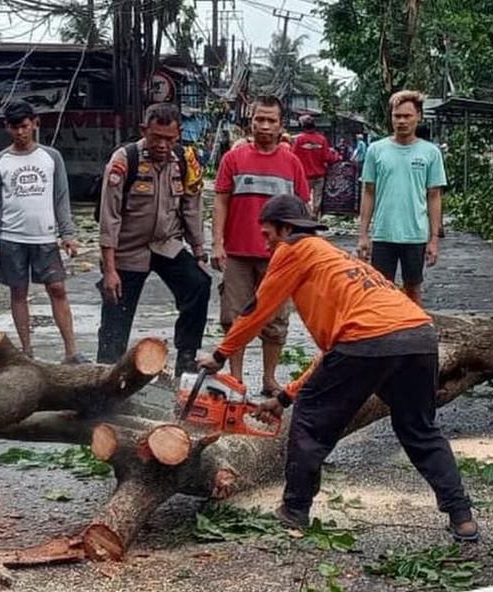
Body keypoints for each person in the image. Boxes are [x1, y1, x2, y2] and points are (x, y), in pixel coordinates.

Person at [197, 194, 478, 541]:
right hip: (418, 336)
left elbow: (257, 308)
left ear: (286, 229)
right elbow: (335, 356)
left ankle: (295, 509)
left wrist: (220, 354)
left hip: (368, 342)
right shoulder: (333, 259)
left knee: (310, 425)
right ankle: (461, 516)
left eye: (268, 234)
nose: (266, 243)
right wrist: (284, 398)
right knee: (420, 429)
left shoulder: (293, 249)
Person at [97, 103, 210, 374]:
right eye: (156, 137)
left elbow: (192, 208)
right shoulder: (124, 160)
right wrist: (110, 269)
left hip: (167, 244)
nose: (162, 144)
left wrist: (198, 254)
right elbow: (109, 217)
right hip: (128, 249)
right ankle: (106, 374)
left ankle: (186, 356)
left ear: (179, 134)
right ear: (144, 130)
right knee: (115, 315)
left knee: (199, 284)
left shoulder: (184, 160)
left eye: (169, 138)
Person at [212, 95, 310, 396]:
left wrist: (301, 249)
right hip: (238, 253)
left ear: (282, 125)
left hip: (279, 258)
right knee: (234, 318)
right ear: (250, 121)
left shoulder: (292, 163)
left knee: (276, 321)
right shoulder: (233, 158)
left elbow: (304, 207)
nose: (264, 126)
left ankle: (269, 380)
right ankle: (236, 380)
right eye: (259, 119)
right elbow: (221, 200)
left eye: (271, 120)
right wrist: (217, 243)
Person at [0, 101, 85, 363]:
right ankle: (27, 352)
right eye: (15, 127)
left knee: (58, 288)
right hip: (11, 238)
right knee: (18, 292)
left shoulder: (51, 157)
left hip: (45, 238)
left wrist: (68, 234)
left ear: (35, 124)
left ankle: (71, 351)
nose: (20, 132)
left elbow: (61, 198)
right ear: (7, 128)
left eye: (25, 126)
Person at [358, 90, 447, 306]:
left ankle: (415, 336)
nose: (401, 121)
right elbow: (369, 192)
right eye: (397, 116)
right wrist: (363, 234)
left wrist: (434, 239)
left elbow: (434, 196)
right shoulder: (376, 150)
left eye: (407, 116)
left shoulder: (431, 153)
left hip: (415, 236)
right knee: (380, 291)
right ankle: (383, 336)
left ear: (418, 117)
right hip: (383, 235)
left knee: (413, 289)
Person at [292, 116, 340, 217]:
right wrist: (337, 157)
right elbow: (327, 157)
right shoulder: (321, 139)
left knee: (304, 198)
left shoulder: (299, 139)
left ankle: (306, 217)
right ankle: (315, 217)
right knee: (317, 199)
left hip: (305, 176)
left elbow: (293, 156)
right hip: (319, 175)